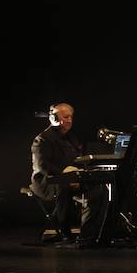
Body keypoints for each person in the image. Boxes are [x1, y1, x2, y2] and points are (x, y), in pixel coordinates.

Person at [29, 102, 108, 242]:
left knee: (99, 188)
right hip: (47, 182)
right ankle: (65, 231)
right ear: (54, 118)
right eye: (66, 117)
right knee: (63, 186)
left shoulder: (71, 138)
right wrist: (67, 176)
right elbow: (42, 166)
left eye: (71, 117)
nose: (70, 120)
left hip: (71, 179)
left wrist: (81, 171)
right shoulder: (42, 139)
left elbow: (76, 161)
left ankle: (88, 234)